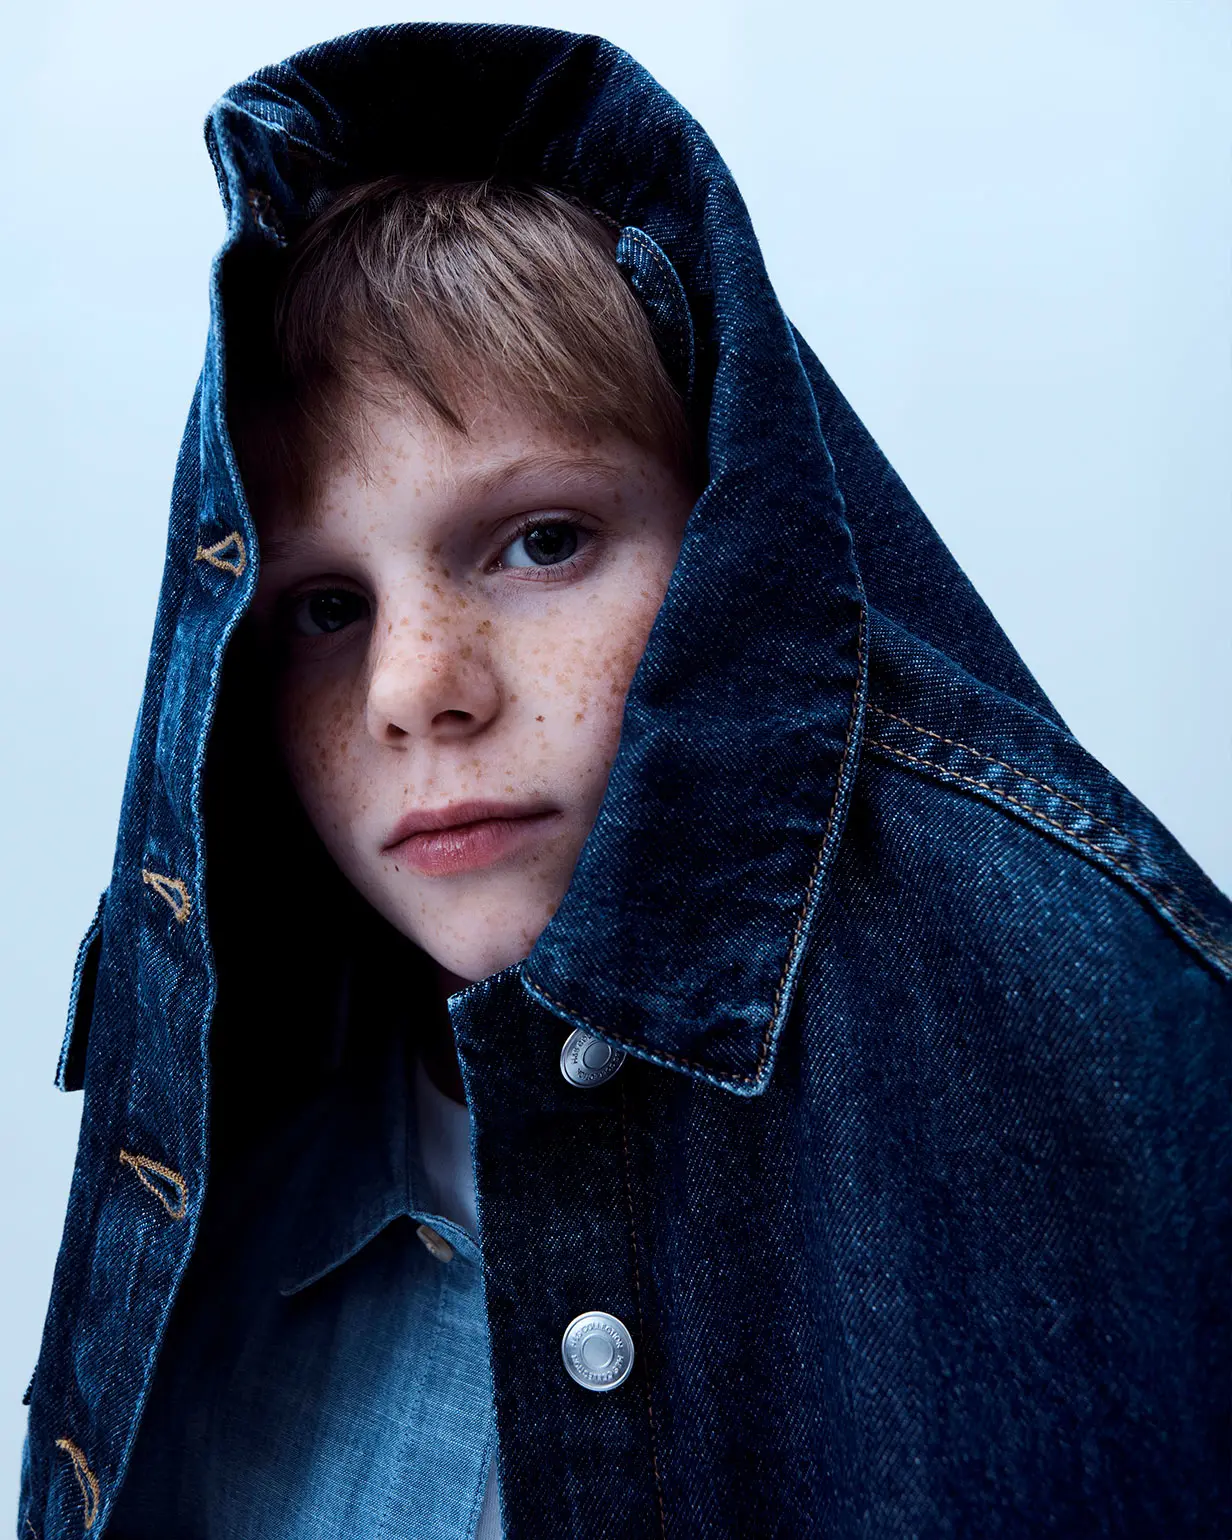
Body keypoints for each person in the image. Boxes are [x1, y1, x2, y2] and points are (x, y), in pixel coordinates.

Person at [17, 22, 1229, 1540]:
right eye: (326, 609)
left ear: (737, 559)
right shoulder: (208, 1195)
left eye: (540, 543)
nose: (414, 692)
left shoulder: (1118, 1071)